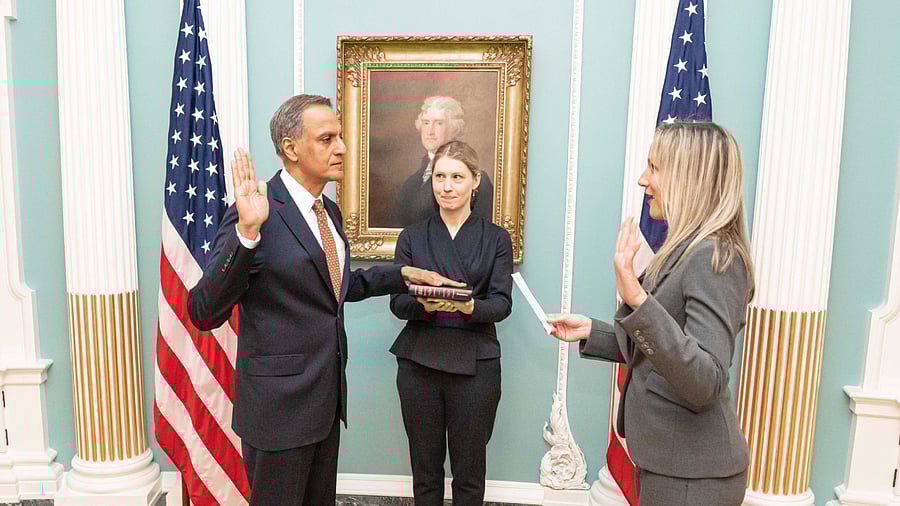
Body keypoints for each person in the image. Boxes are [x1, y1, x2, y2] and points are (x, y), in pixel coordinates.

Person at [188, 94, 461, 506]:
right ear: (291, 147)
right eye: (327, 138)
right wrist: (246, 234)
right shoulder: (257, 209)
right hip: (278, 412)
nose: (343, 148)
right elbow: (203, 310)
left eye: (341, 137)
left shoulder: (328, 212)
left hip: (324, 405)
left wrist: (400, 275)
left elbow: (332, 286)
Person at [547, 121, 755, 505]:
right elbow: (664, 347)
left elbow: (704, 379)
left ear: (687, 177)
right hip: (669, 463)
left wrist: (638, 298)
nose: (644, 180)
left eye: (654, 168)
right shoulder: (685, 248)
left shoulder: (714, 257)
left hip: (694, 475)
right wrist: (593, 332)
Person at [389, 140, 513, 505]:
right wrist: (426, 304)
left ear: (475, 181)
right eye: (440, 176)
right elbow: (397, 303)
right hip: (418, 364)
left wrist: (467, 306)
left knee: (470, 473)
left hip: (476, 366)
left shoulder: (496, 239)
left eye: (457, 177)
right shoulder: (412, 237)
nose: (447, 186)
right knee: (424, 472)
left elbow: (502, 304)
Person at [393, 96, 494, 227]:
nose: (430, 131)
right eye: (426, 123)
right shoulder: (410, 185)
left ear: (454, 128)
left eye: (439, 123)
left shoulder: (479, 182)